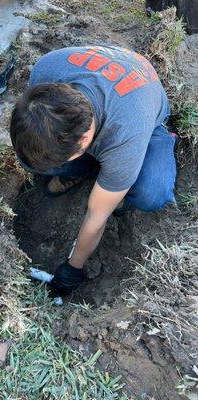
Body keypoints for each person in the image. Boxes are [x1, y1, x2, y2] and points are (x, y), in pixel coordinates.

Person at [10, 45, 177, 297]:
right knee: (32, 159)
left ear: (86, 136)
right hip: (111, 90)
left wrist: (73, 267)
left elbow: (96, 217)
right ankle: (93, 170)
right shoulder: (46, 71)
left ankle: (129, 171)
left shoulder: (125, 134)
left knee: (151, 192)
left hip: (144, 106)